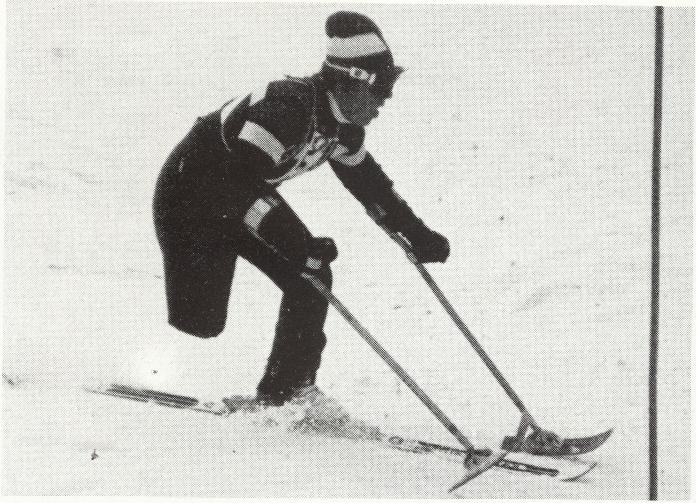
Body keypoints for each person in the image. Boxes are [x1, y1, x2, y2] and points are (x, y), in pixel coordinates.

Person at [153, 11, 450, 406]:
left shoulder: (343, 127)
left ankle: (287, 392)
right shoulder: (288, 107)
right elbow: (236, 176)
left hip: (237, 204)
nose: (385, 102)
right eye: (382, 90)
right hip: (189, 203)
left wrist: (418, 234)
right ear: (352, 81)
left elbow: (371, 185)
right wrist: (296, 241)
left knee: (312, 277)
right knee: (201, 324)